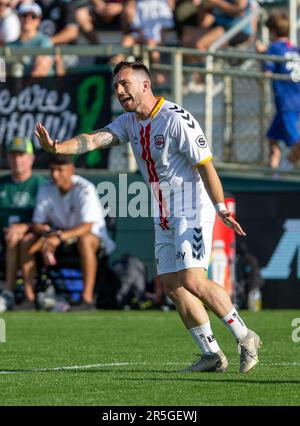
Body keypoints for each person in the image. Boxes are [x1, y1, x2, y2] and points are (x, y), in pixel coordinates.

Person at [35, 60, 261, 373]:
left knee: (193, 279)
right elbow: (94, 139)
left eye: (125, 83)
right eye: (115, 86)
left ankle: (245, 336)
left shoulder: (175, 119)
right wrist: (59, 146)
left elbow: (206, 167)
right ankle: (212, 354)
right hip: (163, 212)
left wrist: (221, 208)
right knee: (172, 286)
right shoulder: (129, 122)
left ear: (145, 84)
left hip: (192, 209)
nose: (119, 90)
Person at [30, 154, 115, 306]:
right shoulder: (46, 188)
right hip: (59, 240)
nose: (55, 175)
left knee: (84, 240)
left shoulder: (85, 188)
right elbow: (37, 223)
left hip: (91, 240)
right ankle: (28, 297)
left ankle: (87, 298)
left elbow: (87, 226)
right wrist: (45, 232)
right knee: (26, 243)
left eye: (60, 170)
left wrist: (59, 237)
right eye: (52, 170)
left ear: (71, 170)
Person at [0, 137, 46, 310]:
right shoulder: (2, 183)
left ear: (31, 158)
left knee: (16, 237)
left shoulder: (40, 184)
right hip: (3, 235)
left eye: (21, 155)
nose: (17, 160)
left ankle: (9, 291)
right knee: (12, 236)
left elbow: (47, 217)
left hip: (31, 235)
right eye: (13, 155)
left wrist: (25, 226)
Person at [256, 11, 300, 170]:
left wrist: (260, 57)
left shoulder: (273, 48)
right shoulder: (293, 48)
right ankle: (274, 171)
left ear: (273, 31)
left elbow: (266, 73)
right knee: (272, 138)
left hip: (285, 102)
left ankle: (286, 167)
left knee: (296, 142)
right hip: (296, 98)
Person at [8, 2, 53, 77]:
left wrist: (22, 87)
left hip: (41, 87)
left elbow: (40, 71)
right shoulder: (10, 45)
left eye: (33, 16)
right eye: (24, 15)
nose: (28, 19)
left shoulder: (44, 42)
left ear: (39, 21)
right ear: (19, 18)